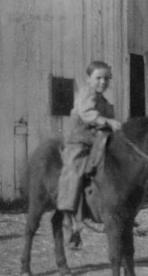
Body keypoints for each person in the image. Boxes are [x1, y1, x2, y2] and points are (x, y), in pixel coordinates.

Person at [57, 61, 122, 248]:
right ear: (89, 79)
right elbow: (87, 114)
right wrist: (108, 122)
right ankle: (67, 214)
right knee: (74, 170)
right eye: (98, 78)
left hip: (98, 142)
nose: (103, 82)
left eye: (106, 78)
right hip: (80, 141)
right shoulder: (86, 93)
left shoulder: (104, 101)